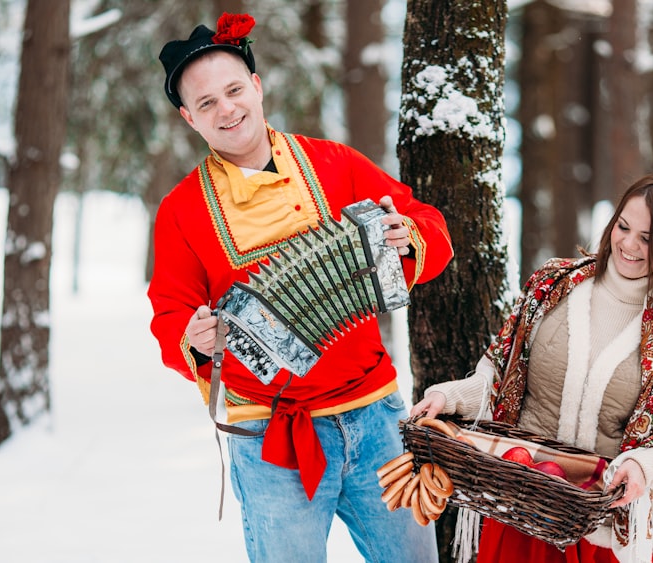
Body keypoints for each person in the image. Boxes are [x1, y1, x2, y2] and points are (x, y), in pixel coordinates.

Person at [148, 12, 453, 563]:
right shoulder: (180, 211)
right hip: (268, 437)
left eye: (235, 90)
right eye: (207, 102)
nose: (228, 109)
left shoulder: (334, 163)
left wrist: (407, 235)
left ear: (257, 88)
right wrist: (193, 339)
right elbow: (168, 315)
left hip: (374, 416)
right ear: (188, 117)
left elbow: (429, 226)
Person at [411, 173, 653, 563]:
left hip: (601, 532)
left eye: (647, 238)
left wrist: (641, 465)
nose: (627, 244)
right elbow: (499, 370)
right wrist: (448, 395)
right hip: (520, 512)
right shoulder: (553, 283)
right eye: (623, 226)